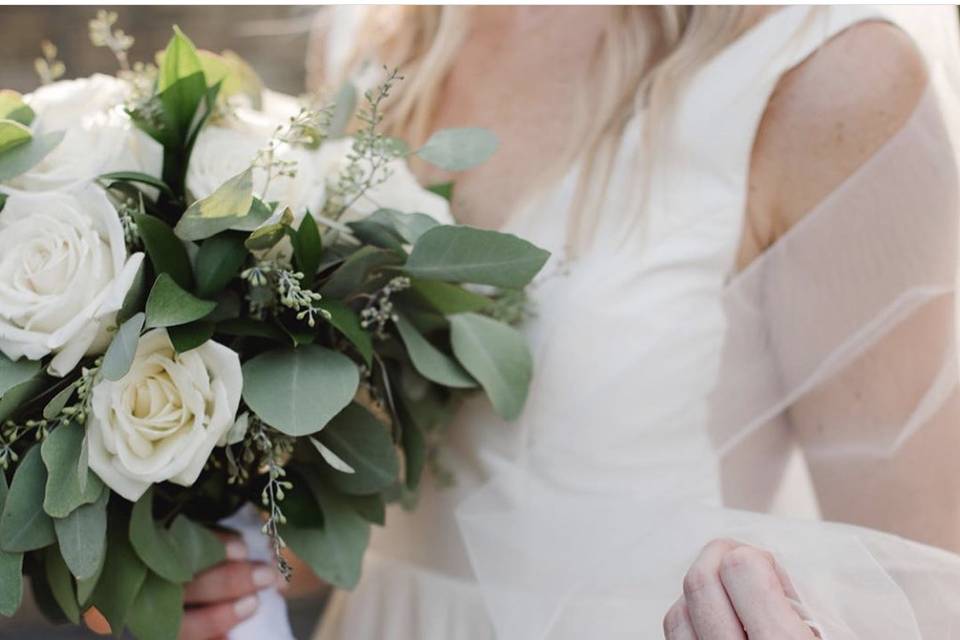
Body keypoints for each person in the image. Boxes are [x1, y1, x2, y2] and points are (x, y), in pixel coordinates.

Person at [148, 6, 960, 639]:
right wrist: (208, 569)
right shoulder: (381, 35)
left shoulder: (829, 76)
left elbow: (925, 582)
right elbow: (377, 495)